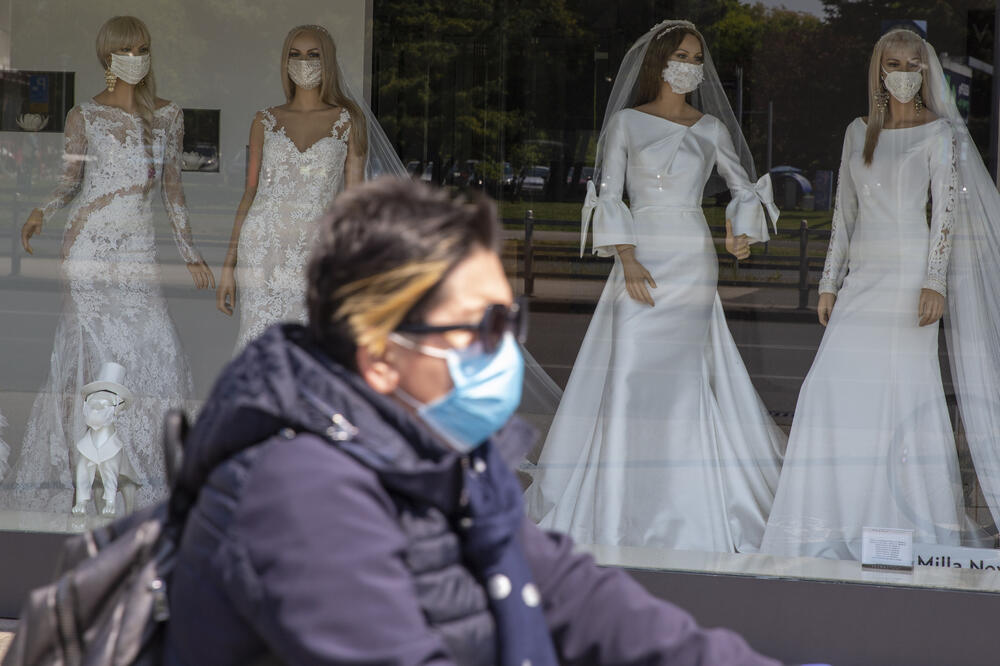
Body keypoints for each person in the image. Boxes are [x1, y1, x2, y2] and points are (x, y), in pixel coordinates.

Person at [164, 178, 779, 665]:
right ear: (380, 354)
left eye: (506, 323)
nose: (500, 351)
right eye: (473, 330)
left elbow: (579, 598)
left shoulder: (444, 455)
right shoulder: (298, 493)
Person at [523, 19, 785, 553]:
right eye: (683, 56)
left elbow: (741, 188)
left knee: (684, 378)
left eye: (698, 58)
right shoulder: (626, 123)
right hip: (641, 257)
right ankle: (620, 504)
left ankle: (689, 505)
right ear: (660, 62)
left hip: (691, 256)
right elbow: (611, 193)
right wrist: (627, 258)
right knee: (632, 372)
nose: (692, 66)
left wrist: (741, 237)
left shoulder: (711, 129)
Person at [761, 28, 977, 559]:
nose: (903, 72)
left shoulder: (939, 133)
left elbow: (945, 214)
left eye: (912, 63)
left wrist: (935, 282)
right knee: (830, 392)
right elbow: (843, 215)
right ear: (879, 70)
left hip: (910, 279)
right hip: (863, 279)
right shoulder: (858, 132)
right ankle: (830, 524)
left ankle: (902, 531)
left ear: (924, 71)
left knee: (903, 396)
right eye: (893, 63)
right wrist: (829, 282)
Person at [9, 15, 214, 515]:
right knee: (89, 353)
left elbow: (173, 191)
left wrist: (190, 253)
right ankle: (88, 475)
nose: (135, 56)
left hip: (138, 251)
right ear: (107, 56)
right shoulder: (84, 115)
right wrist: (42, 210)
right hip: (89, 248)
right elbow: (70, 181)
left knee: (155, 346)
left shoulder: (168, 116)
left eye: (142, 47)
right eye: (126, 49)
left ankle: (151, 465)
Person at [216, 24, 405, 350]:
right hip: (263, 248)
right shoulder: (264, 120)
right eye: (296, 54)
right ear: (285, 61)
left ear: (327, 61)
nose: (304, 62)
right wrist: (228, 266)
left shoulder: (347, 121)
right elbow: (251, 192)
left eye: (313, 55)